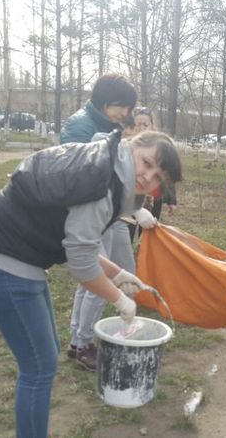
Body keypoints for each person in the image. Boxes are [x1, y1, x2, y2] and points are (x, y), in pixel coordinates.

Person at [0, 129, 182, 438]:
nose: (148, 177)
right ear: (133, 144)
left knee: (45, 356)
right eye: (147, 163)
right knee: (38, 368)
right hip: (0, 260)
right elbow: (80, 262)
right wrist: (119, 299)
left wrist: (117, 273)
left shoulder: (111, 168)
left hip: (19, 257)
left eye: (158, 176)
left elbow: (79, 244)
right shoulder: (102, 182)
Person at [58, 75, 157, 370]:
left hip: (110, 216)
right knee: (96, 281)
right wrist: (134, 210)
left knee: (111, 274)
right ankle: (83, 342)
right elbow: (83, 178)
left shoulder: (107, 125)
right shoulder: (81, 127)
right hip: (90, 217)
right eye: (122, 107)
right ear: (105, 102)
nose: (125, 114)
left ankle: (81, 338)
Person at [124, 107, 178, 242]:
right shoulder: (125, 150)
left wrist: (171, 200)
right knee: (127, 229)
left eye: (145, 125)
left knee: (148, 232)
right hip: (130, 198)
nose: (141, 128)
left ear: (152, 126)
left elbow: (167, 177)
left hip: (154, 199)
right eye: (138, 124)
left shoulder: (161, 147)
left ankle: (144, 250)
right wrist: (136, 210)